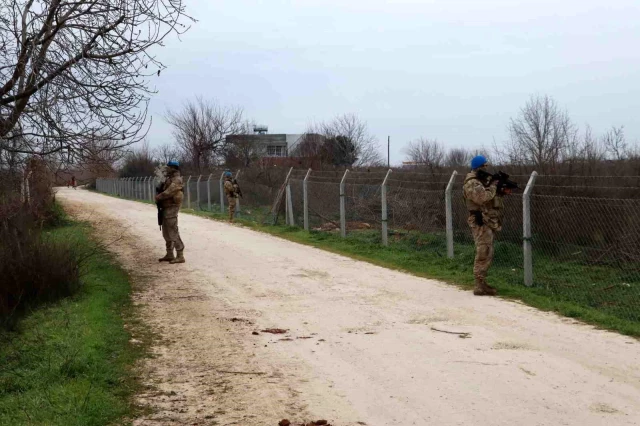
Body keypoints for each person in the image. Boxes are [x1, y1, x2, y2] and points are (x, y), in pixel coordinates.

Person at [462, 155, 505, 296]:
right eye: (484, 166)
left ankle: (481, 282)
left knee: (487, 251)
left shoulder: (480, 181)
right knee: (483, 250)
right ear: (479, 167)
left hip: (486, 219)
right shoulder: (472, 182)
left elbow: (488, 196)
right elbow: (482, 198)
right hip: (480, 220)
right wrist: (494, 186)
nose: (487, 168)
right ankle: (479, 284)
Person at [155, 161, 185, 264]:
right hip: (165, 207)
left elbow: (170, 192)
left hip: (172, 207)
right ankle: (169, 254)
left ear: (173, 168)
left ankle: (180, 255)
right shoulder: (169, 179)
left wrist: (159, 197)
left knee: (172, 231)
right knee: (166, 232)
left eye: (169, 167)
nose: (167, 168)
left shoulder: (177, 180)